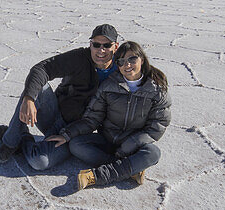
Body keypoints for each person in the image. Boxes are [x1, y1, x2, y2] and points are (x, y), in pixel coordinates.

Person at [0, 24, 120, 168]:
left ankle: (22, 136)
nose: (101, 50)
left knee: (39, 162)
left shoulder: (122, 70)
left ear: (116, 46)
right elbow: (42, 69)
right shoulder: (79, 58)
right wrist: (29, 98)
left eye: (107, 45)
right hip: (53, 114)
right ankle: (9, 142)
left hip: (77, 131)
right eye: (96, 44)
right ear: (90, 45)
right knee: (36, 89)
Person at [46, 41, 170, 190]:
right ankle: (130, 169)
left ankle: (96, 176)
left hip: (134, 144)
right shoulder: (109, 86)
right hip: (108, 139)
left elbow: (157, 126)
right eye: (121, 61)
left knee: (153, 153)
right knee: (76, 145)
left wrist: (128, 146)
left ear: (141, 60)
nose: (127, 65)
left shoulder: (157, 90)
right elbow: (92, 118)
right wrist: (67, 134)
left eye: (132, 59)